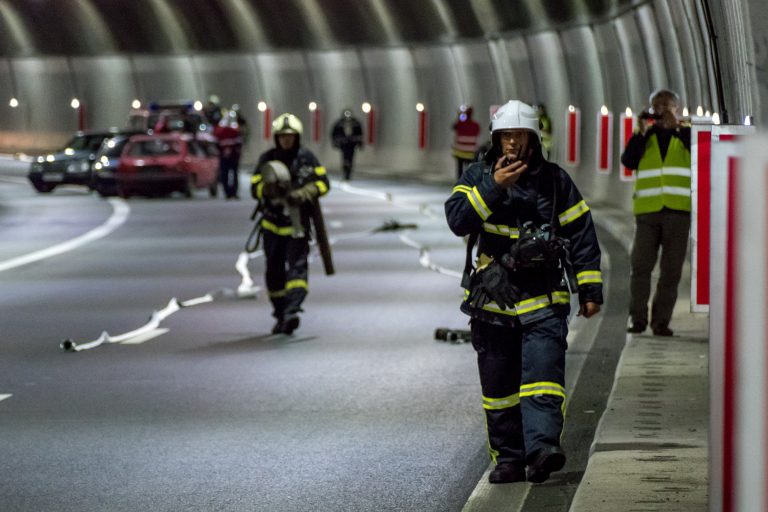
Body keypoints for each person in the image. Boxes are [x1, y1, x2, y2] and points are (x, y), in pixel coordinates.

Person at [445, 100, 603, 484]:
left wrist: (589, 288)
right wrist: (493, 187)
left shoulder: (555, 181)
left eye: (519, 136)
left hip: (544, 297)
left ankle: (542, 449)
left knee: (543, 377)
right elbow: (458, 220)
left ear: (534, 140)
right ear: (496, 140)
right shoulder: (479, 175)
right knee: (499, 387)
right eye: (506, 136)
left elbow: (581, 235)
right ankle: (509, 459)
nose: (512, 143)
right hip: (494, 300)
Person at [250, 113, 330, 335]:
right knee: (273, 271)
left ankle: (292, 311)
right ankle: (279, 312)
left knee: (297, 269)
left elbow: (323, 183)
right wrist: (267, 190)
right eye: (282, 136)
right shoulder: (267, 160)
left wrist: (306, 192)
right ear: (276, 138)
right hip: (272, 225)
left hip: (298, 227)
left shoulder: (307, 159)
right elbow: (254, 188)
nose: (286, 140)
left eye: (290, 136)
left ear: (297, 137)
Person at [621, 89, 691, 337]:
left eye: (666, 106)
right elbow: (628, 161)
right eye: (656, 106)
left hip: (678, 212)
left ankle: (661, 321)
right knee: (640, 267)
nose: (660, 111)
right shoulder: (644, 136)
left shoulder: (688, 134)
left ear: (676, 108)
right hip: (648, 212)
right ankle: (637, 318)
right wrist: (640, 131)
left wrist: (678, 129)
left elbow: (700, 156)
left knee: (671, 271)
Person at [213, 110, 243, 199]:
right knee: (230, 175)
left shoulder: (222, 132)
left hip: (229, 157)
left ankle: (230, 192)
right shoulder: (234, 131)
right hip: (230, 157)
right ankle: (231, 192)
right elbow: (239, 144)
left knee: (227, 175)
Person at [330, 108, 364, 180]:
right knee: (345, 158)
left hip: (352, 144)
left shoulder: (355, 123)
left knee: (350, 158)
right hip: (344, 144)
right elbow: (334, 134)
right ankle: (345, 170)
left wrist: (359, 143)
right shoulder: (339, 123)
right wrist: (335, 142)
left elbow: (360, 134)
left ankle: (349, 171)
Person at [451, 104, 481, 179]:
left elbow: (453, 127)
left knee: (460, 169)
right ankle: (469, 182)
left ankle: (459, 182)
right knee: (470, 168)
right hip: (471, 151)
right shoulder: (475, 125)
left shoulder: (460, 123)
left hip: (460, 151)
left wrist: (459, 116)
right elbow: (477, 133)